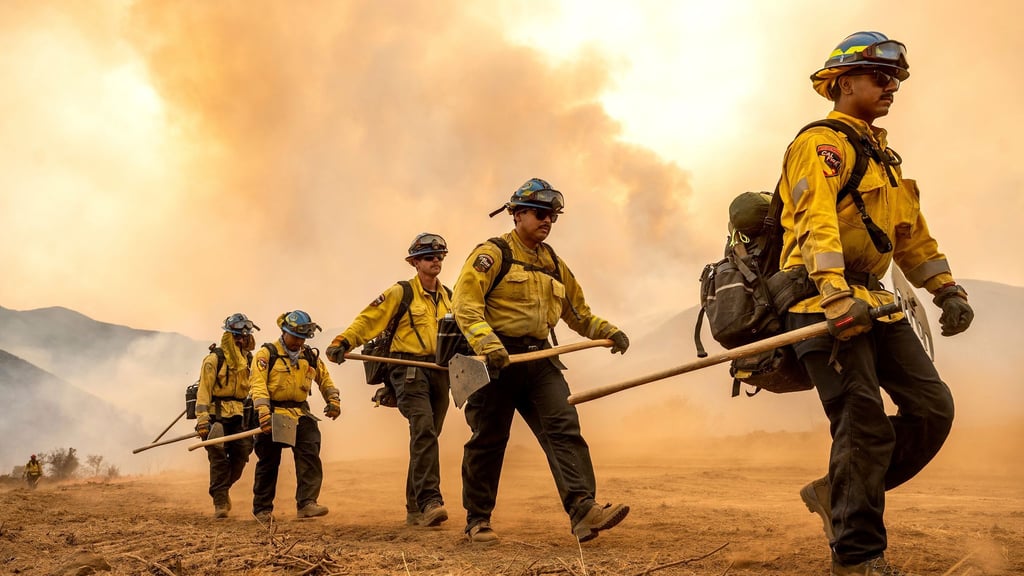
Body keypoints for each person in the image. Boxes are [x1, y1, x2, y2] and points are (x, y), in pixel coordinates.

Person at [781, 32, 973, 575]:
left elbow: (911, 239)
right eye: (880, 77)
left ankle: (835, 491)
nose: (892, 87)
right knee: (861, 421)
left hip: (876, 301)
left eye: (897, 80)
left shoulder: (884, 158)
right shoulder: (820, 145)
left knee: (934, 408)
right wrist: (835, 296)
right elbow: (816, 222)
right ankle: (857, 554)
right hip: (821, 301)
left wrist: (946, 289)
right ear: (843, 82)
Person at [451, 178, 631, 544]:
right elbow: (465, 305)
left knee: (563, 428)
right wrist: (489, 344)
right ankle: (478, 519)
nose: (547, 221)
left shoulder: (554, 263)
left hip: (540, 359)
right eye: (540, 213)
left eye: (553, 216)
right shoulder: (492, 254)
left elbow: (578, 314)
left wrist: (608, 331)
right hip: (494, 362)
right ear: (517, 214)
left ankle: (583, 510)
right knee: (488, 439)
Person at [325, 232, 454, 528]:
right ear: (414, 262)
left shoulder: (449, 295)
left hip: (440, 372)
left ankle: (414, 508)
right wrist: (344, 340)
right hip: (407, 370)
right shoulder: (401, 292)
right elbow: (369, 319)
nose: (435, 260)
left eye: (439, 256)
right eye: (428, 257)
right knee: (423, 429)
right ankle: (430, 501)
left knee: (429, 436)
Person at [249, 310, 340, 522]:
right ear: (284, 331)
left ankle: (307, 503)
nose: (299, 342)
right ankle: (262, 509)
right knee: (269, 461)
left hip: (300, 412)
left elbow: (325, 380)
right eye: (295, 337)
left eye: (303, 338)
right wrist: (262, 412)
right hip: (273, 412)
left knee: (310, 453)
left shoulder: (309, 356)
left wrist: (333, 401)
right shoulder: (266, 354)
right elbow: (258, 384)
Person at [194, 313, 259, 518]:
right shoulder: (214, 359)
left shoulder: (250, 360)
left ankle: (221, 489)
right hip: (216, 418)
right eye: (237, 336)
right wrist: (203, 421)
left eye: (245, 336)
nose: (241, 340)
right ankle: (220, 502)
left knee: (242, 455)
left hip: (241, 416)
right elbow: (203, 392)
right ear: (229, 336)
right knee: (219, 459)